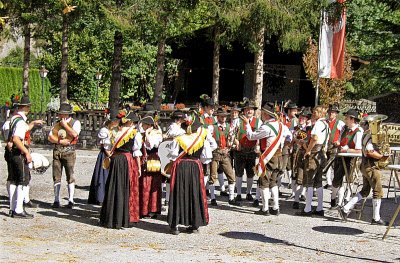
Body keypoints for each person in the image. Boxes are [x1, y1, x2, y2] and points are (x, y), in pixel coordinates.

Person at [166, 114, 216, 235]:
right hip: (195, 167)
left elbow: (172, 155)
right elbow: (206, 158)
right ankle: (194, 224)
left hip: (181, 167)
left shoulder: (179, 138)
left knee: (178, 192)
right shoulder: (201, 139)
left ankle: (175, 225)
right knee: (194, 192)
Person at [338, 114, 388, 225]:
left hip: (365, 165)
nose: (379, 125)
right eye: (377, 123)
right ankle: (376, 218)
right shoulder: (371, 136)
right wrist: (382, 157)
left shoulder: (366, 134)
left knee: (365, 191)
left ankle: (346, 208)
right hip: (371, 166)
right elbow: (369, 151)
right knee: (378, 191)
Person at [100, 111, 142, 229]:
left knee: (113, 186)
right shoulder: (134, 133)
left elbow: (106, 147)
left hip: (115, 160)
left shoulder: (113, 132)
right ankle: (122, 219)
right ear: (130, 122)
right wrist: (138, 167)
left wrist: (111, 157)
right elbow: (136, 152)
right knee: (124, 188)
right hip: (126, 160)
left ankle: (110, 219)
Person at [242, 103, 285, 216]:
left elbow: (251, 136)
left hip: (269, 157)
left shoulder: (266, 127)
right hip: (279, 156)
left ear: (265, 114)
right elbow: (288, 136)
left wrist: (247, 124)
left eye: (262, 113)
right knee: (273, 182)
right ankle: (275, 207)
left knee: (264, 182)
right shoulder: (280, 125)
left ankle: (265, 209)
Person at [6, 95, 43, 218]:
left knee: (13, 180)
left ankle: (12, 208)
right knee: (22, 180)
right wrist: (26, 153)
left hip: (11, 153)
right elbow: (16, 138)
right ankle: (18, 209)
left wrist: (32, 123)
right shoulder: (20, 122)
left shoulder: (13, 119)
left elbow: (21, 130)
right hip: (18, 153)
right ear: (26, 108)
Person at [295, 105, 329, 217]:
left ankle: (307, 208)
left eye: (315, 112)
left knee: (309, 181)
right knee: (318, 181)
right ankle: (319, 208)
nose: (313, 113)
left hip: (315, 152)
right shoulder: (326, 124)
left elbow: (314, 138)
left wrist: (307, 150)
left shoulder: (319, 123)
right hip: (322, 152)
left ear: (319, 113)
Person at [48, 103, 81, 208]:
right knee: (56, 176)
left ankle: (71, 200)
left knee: (70, 175)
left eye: (62, 114)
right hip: (57, 151)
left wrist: (65, 125)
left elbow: (74, 134)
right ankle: (56, 199)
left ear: (66, 115)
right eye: (60, 114)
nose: (60, 116)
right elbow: (50, 137)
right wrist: (60, 141)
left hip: (69, 152)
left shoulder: (75, 123)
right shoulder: (56, 124)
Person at [330, 109, 363, 209]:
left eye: (347, 117)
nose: (345, 119)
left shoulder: (358, 131)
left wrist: (347, 150)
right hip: (341, 157)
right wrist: (337, 143)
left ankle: (346, 199)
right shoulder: (344, 128)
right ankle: (333, 199)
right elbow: (340, 141)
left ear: (352, 119)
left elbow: (359, 150)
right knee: (336, 180)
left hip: (352, 159)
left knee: (350, 179)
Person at [208, 108, 240, 206]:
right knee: (213, 176)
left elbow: (231, 139)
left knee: (231, 176)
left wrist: (232, 145)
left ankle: (231, 198)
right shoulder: (211, 127)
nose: (224, 118)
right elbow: (207, 140)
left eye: (225, 116)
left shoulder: (229, 127)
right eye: (222, 116)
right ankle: (213, 198)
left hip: (225, 154)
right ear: (217, 117)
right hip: (215, 154)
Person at [234, 99, 261, 202]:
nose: (249, 111)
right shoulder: (237, 120)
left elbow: (260, 135)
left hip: (251, 151)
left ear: (254, 111)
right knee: (239, 173)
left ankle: (248, 193)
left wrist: (258, 144)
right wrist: (236, 141)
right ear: (244, 111)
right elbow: (231, 134)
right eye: (247, 109)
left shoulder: (258, 121)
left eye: (251, 109)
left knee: (250, 174)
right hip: (240, 150)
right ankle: (239, 194)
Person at [88, 118, 119, 205]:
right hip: (106, 155)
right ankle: (101, 197)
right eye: (115, 122)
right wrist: (110, 155)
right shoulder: (104, 131)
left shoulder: (115, 130)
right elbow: (105, 145)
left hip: (113, 154)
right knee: (103, 175)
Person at [139, 115, 163, 218]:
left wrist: (147, 134)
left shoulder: (156, 134)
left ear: (148, 125)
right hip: (143, 159)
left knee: (152, 184)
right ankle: (143, 209)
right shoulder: (141, 133)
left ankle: (152, 209)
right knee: (144, 184)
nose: (142, 126)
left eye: (144, 124)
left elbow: (152, 145)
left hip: (153, 159)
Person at [292, 109, 312, 209]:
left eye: (303, 118)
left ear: (306, 119)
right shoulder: (295, 128)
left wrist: (302, 142)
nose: (301, 119)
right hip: (298, 154)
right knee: (298, 177)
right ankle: (296, 199)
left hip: (307, 154)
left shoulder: (309, 129)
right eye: (300, 117)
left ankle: (303, 194)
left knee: (307, 176)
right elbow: (293, 139)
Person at [324, 104, 345, 190]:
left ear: (336, 114)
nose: (331, 114)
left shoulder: (340, 123)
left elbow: (344, 134)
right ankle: (328, 182)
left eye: (333, 112)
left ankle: (335, 183)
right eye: (330, 112)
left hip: (335, 147)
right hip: (326, 146)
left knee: (333, 164)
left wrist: (339, 142)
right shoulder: (325, 122)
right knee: (326, 163)